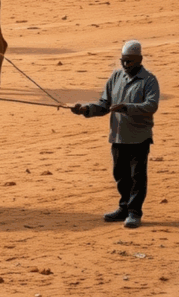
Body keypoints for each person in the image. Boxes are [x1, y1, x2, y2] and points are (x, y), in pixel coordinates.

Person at [65, 40, 160, 229]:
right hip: (118, 136)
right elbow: (103, 105)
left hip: (139, 137)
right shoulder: (116, 77)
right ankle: (123, 208)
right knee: (120, 175)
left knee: (137, 177)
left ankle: (134, 213)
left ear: (140, 59)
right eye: (123, 61)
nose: (126, 65)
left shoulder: (149, 80)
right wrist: (85, 109)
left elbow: (151, 105)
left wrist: (127, 107)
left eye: (130, 61)